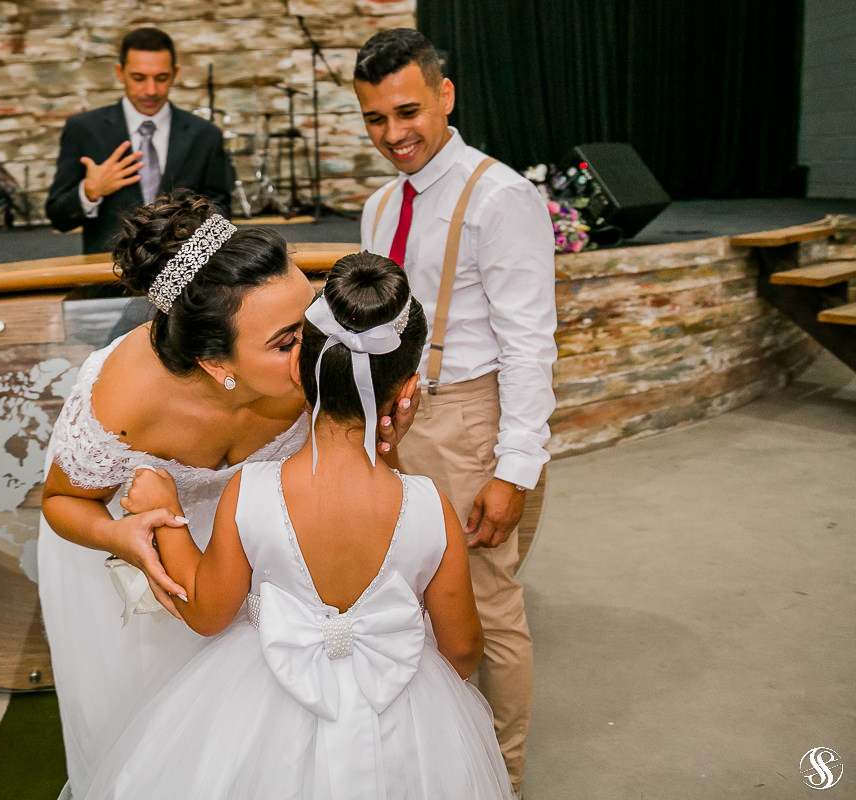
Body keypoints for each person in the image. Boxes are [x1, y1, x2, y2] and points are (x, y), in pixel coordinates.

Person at [78, 252, 514, 799]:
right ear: (408, 391)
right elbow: (464, 648)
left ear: (299, 369)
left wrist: (167, 517)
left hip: (260, 712)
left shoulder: (251, 492)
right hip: (402, 724)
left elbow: (208, 613)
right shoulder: (432, 509)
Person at [39, 194, 411, 797]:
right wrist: (121, 533)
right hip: (134, 558)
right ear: (217, 364)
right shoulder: (123, 404)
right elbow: (61, 502)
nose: (317, 346)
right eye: (288, 340)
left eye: (311, 317)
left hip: (248, 548)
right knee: (145, 733)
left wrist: (385, 437)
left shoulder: (314, 369)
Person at [353, 28, 558, 797]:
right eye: (376, 119)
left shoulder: (499, 196)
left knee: (489, 605)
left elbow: (530, 345)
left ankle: (501, 778)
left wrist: (514, 469)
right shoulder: (379, 207)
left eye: (408, 111)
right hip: (395, 422)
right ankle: (435, 758)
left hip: (468, 421)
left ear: (445, 96)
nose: (395, 134)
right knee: (405, 595)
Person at [44, 27, 232, 255]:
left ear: (174, 73)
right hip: (107, 277)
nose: (151, 90)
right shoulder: (83, 130)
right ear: (120, 72)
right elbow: (58, 218)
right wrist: (89, 192)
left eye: (161, 78)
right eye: (138, 78)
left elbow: (220, 214)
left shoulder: (205, 134)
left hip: (185, 279)